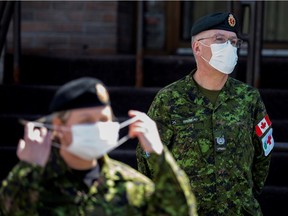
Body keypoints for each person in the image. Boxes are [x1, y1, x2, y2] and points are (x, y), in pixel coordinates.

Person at [136, 12, 274, 216]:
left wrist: (243, 195)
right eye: (220, 40)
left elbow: (263, 153)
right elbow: (147, 158)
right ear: (197, 47)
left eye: (234, 42)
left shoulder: (248, 98)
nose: (229, 47)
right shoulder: (170, 99)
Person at [0, 77, 197, 215]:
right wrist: (29, 168)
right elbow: (13, 210)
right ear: (59, 127)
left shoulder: (131, 185)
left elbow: (181, 211)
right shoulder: (35, 183)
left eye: (104, 119)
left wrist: (158, 154)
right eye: (86, 121)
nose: (98, 128)